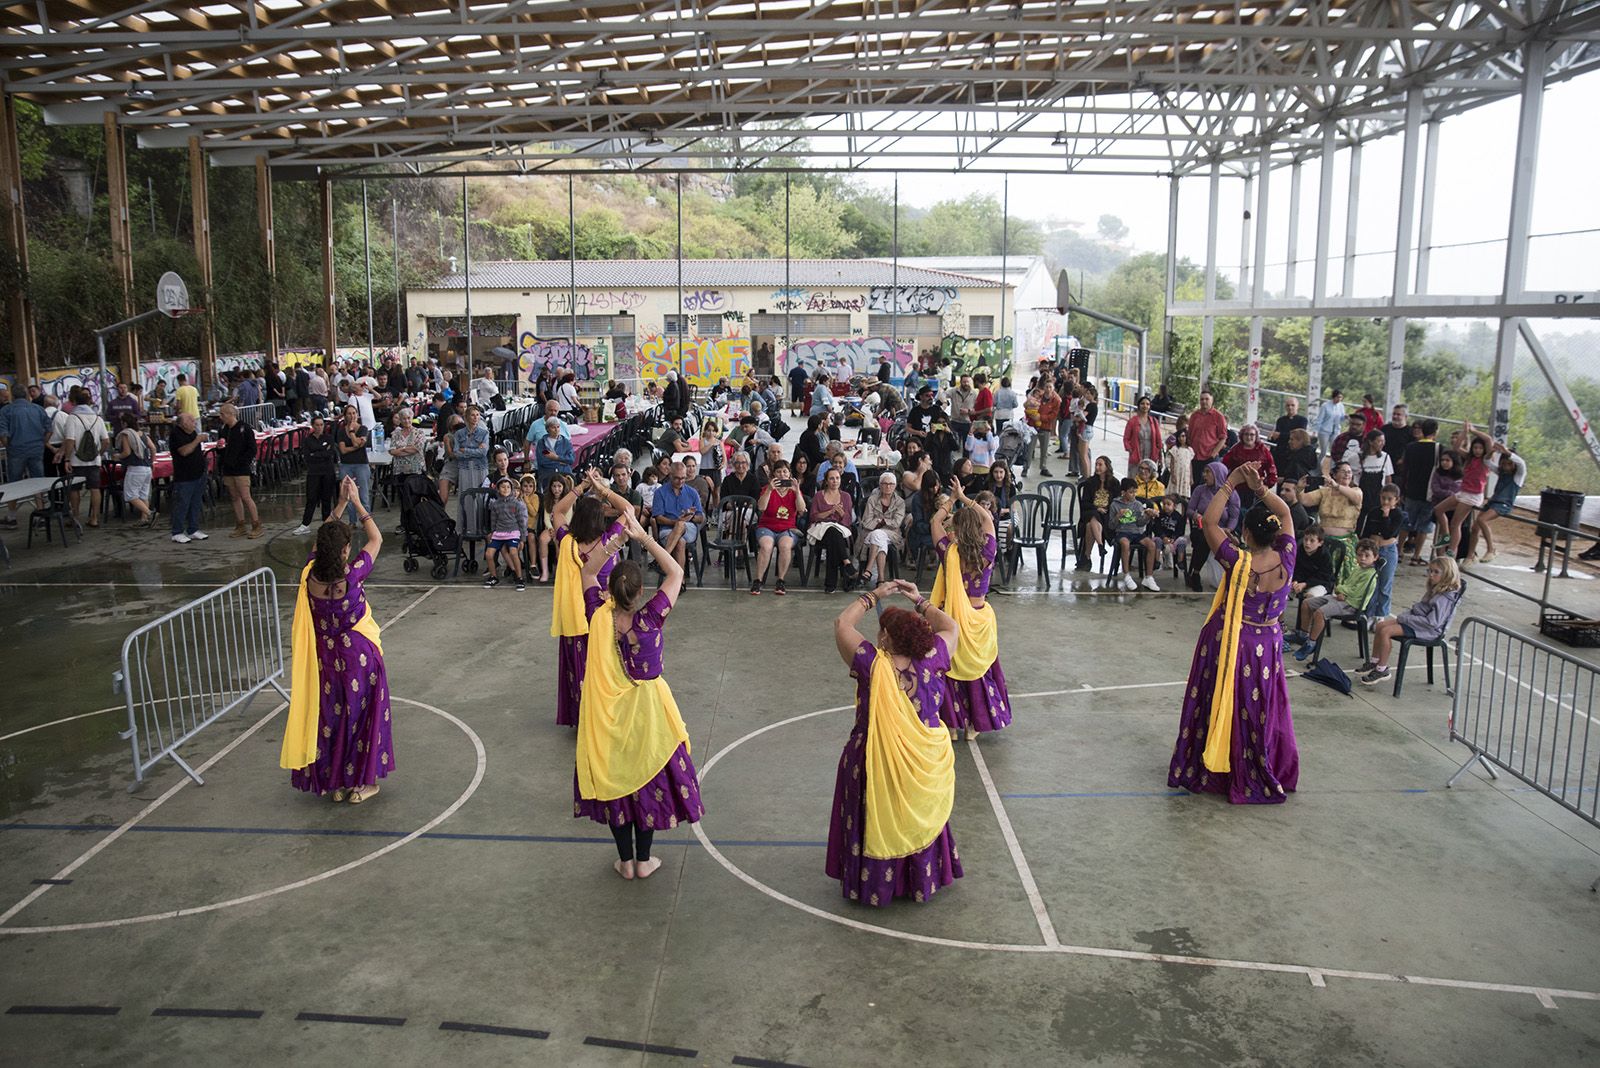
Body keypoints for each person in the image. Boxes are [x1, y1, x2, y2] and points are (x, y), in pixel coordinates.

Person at [573, 506, 704, 878]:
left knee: (616, 778)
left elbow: (586, 569)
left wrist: (616, 537)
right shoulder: (650, 618)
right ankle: (644, 860)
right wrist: (641, 536)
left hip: (606, 713)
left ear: (610, 590)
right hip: (647, 710)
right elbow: (675, 572)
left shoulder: (598, 613)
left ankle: (625, 861)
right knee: (645, 776)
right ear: (642, 591)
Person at [1167, 462, 1300, 804]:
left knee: (1226, 700)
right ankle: (1258, 761)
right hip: (1268, 643)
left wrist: (1231, 485)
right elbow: (1285, 512)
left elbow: (1209, 523)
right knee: (1259, 705)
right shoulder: (1287, 556)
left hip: (1234, 643)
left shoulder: (1238, 562)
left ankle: (1220, 767)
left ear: (1247, 533)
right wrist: (1259, 489)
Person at [825, 579, 963, 905]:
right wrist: (920, 600)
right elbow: (952, 626)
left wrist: (874, 595)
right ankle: (917, 880)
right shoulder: (934, 658)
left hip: (873, 757)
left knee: (876, 813)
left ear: (886, 637)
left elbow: (843, 623)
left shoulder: (871, 663)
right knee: (913, 814)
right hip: (924, 760)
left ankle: (874, 883)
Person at [280, 477, 392, 804]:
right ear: (345, 550)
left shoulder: (309, 575)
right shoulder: (353, 575)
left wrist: (340, 505)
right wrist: (356, 501)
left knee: (334, 717)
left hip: (326, 660)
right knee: (363, 718)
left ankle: (337, 783)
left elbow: (322, 540)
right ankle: (364, 783)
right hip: (360, 658)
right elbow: (376, 538)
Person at [550, 470, 638, 727]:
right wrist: (601, 489)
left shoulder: (568, 543)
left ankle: (581, 717)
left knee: (579, 668)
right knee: (606, 665)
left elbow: (556, 512)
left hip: (576, 615)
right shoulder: (609, 542)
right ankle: (606, 714)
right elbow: (629, 509)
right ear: (600, 518)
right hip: (605, 615)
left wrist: (582, 486)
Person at [929, 482, 1012, 737]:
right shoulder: (988, 550)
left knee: (951, 668)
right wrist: (965, 497)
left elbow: (935, 522)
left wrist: (950, 500)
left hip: (952, 619)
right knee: (979, 668)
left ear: (955, 528)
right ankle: (975, 725)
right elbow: (987, 517)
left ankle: (953, 725)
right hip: (978, 618)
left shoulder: (949, 553)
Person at [1359, 557, 1465, 686]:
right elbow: (1422, 608)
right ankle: (1374, 661)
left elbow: (1433, 622)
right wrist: (1409, 616)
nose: (1431, 575)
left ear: (1448, 574)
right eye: (1430, 571)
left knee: (1386, 631)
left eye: (1436, 572)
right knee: (1380, 625)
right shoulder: (1436, 588)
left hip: (1428, 630)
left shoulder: (1445, 598)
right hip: (1418, 623)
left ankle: (1382, 669)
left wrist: (1407, 618)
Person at [1284, 539, 1379, 662]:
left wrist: (1341, 590)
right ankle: (1302, 635)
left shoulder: (1370, 574)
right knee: (1307, 603)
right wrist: (1341, 591)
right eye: (1360, 555)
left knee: (1320, 613)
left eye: (1367, 556)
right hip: (1340, 598)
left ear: (1375, 557)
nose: (1363, 558)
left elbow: (1355, 592)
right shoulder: (1358, 569)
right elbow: (1347, 585)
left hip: (1350, 605)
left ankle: (1311, 644)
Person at [50, 387, 111, 528]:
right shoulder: (97, 418)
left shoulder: (72, 417)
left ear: (75, 402)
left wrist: (67, 459)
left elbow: (70, 440)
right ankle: (94, 518)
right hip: (94, 461)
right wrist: (99, 454)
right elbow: (106, 441)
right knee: (95, 488)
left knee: (74, 489)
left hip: (76, 461)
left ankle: (75, 517)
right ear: (89, 401)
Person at [1184, 460, 1240, 591]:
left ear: (1218, 474)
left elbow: (1234, 516)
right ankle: (1196, 574)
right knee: (1205, 539)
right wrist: (1196, 516)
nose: (1204, 475)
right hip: (1202, 528)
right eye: (1204, 471)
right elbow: (1190, 509)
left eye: (1208, 472)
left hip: (1223, 530)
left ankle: (1229, 577)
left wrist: (1228, 529)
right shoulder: (1200, 490)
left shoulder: (1231, 493)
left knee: (1228, 541)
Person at [752, 460, 805, 595]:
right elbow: (761, 507)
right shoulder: (767, 489)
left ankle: (780, 580)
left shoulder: (794, 492)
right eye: (779, 471)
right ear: (774, 474)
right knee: (766, 546)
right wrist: (769, 490)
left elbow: (801, 509)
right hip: (767, 526)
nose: (782, 474)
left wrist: (798, 492)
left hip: (787, 528)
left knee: (785, 546)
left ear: (789, 474)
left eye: (785, 471)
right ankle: (758, 580)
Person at [1467, 442, 1526, 564]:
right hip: (1493, 502)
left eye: (1509, 464)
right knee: (1475, 528)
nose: (1506, 467)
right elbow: (1487, 461)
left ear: (1513, 464)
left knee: (1482, 520)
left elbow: (1521, 463)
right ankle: (1470, 555)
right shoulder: (1501, 472)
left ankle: (1491, 549)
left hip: (1503, 504)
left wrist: (1506, 452)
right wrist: (1492, 451)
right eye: (1503, 464)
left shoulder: (1518, 476)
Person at [1441, 425, 1493, 561]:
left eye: (1480, 448)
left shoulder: (1486, 461)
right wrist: (1464, 432)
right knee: (1438, 509)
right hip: (1463, 492)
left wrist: (1474, 431)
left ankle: (1451, 552)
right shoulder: (1470, 458)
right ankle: (1445, 536)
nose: (1477, 451)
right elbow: (1456, 447)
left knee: (1455, 524)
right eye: (1475, 448)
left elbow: (1488, 440)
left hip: (1473, 495)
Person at [217, 403, 263, 539]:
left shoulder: (244, 428)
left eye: (222, 414)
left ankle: (256, 524)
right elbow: (221, 447)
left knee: (245, 496)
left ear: (231, 414)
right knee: (234, 497)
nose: (221, 417)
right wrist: (220, 449)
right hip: (228, 468)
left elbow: (252, 449)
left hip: (241, 468)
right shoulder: (223, 429)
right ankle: (240, 524)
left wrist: (244, 461)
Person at [808, 466, 857, 593]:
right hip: (821, 529)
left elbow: (848, 520)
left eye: (837, 478)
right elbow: (814, 517)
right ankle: (846, 564)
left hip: (839, 529)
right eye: (831, 478)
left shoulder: (846, 496)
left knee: (834, 536)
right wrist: (830, 512)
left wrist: (841, 514)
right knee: (832, 532)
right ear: (826, 481)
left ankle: (831, 583)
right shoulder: (819, 495)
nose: (835, 481)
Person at [650, 460, 704, 571]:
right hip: (667, 530)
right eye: (677, 478)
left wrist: (690, 517)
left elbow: (701, 518)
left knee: (681, 524)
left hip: (689, 528)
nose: (681, 481)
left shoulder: (692, 492)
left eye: (683, 478)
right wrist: (677, 522)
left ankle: (662, 558)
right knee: (680, 542)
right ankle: (680, 581)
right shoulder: (660, 492)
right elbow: (658, 519)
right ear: (670, 475)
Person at [1359, 485, 1405, 618]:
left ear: (1396, 500)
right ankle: (1369, 613)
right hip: (1373, 550)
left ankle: (1381, 615)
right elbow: (1367, 532)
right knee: (1371, 583)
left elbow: (1388, 534)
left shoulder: (1398, 515)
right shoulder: (1373, 512)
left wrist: (1386, 516)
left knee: (1385, 584)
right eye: (1383, 498)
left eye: (1389, 499)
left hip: (1387, 549)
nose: (1385, 502)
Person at [1109, 478, 1161, 592]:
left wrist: (1148, 516)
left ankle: (1149, 577)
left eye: (1135, 492)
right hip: (1122, 532)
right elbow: (1111, 526)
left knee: (1151, 545)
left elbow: (1139, 523)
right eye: (1131, 492)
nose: (1133, 495)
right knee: (1125, 544)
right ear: (1123, 492)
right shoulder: (1115, 504)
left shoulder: (1137, 504)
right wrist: (1118, 516)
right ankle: (1126, 575)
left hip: (1136, 532)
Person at [855, 472, 906, 587]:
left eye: (891, 484)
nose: (888, 486)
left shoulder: (900, 502)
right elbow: (866, 522)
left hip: (893, 535)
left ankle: (868, 569)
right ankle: (881, 579)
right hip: (871, 533)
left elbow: (896, 523)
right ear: (880, 485)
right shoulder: (872, 500)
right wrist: (885, 522)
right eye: (885, 483)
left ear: (895, 486)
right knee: (879, 537)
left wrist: (880, 521)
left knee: (877, 534)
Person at [166, 411, 209, 544]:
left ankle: (193, 528)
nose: (194, 422)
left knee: (195, 503)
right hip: (184, 476)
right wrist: (197, 440)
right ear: (183, 423)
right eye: (191, 420)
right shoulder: (176, 434)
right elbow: (184, 451)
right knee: (182, 504)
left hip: (198, 473)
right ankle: (177, 531)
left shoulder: (192, 433)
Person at [294, 415, 338, 535]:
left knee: (326, 499)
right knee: (311, 499)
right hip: (313, 473)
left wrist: (316, 453)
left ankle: (326, 524)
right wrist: (321, 452)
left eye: (321, 425)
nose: (319, 427)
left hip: (328, 472)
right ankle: (305, 524)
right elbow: (308, 457)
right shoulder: (308, 440)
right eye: (317, 425)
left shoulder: (329, 438)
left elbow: (329, 453)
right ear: (313, 426)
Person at [1075, 456, 1120, 573]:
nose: (1097, 467)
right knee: (1094, 515)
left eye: (1100, 465)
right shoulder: (1090, 482)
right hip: (1090, 511)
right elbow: (1085, 503)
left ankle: (1087, 556)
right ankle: (1100, 545)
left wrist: (1105, 509)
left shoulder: (1114, 483)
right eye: (1096, 465)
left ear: (1107, 467)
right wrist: (1097, 508)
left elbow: (1116, 502)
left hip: (1107, 515)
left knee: (1090, 525)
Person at [484, 476, 530, 590]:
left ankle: (519, 578)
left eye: (508, 487)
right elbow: (493, 520)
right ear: (498, 489)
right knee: (489, 554)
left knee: (514, 552)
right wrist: (492, 532)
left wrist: (522, 539)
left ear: (512, 489)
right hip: (499, 533)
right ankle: (493, 576)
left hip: (513, 532)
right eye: (503, 487)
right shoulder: (495, 504)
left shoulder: (517, 504)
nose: (505, 489)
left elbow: (522, 522)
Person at [112, 413, 155, 526]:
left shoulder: (127, 434)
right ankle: (144, 519)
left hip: (135, 468)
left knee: (130, 496)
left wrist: (118, 456)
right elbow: (153, 448)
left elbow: (127, 452)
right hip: (146, 468)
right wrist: (152, 462)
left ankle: (149, 513)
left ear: (125, 423)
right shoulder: (143, 434)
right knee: (143, 495)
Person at [533, 473, 574, 582]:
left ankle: (558, 570)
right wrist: (550, 528)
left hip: (563, 528)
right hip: (550, 528)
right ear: (550, 487)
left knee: (558, 542)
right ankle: (545, 571)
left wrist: (558, 530)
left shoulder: (567, 500)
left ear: (563, 487)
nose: (556, 489)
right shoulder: (548, 500)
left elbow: (568, 519)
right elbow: (546, 517)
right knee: (542, 539)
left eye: (559, 486)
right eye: (554, 486)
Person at [1424, 450, 1464, 563]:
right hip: (1440, 505)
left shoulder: (1460, 474)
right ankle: (1440, 560)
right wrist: (1450, 494)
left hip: (1456, 507)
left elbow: (1459, 491)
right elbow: (1435, 489)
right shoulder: (1438, 473)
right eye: (1442, 460)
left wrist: (1450, 494)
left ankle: (1451, 559)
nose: (1444, 463)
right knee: (1441, 533)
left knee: (1456, 529)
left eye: (1447, 460)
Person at [335, 404, 372, 523]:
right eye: (349, 413)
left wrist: (351, 431)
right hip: (346, 465)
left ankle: (367, 522)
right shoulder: (340, 431)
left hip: (361, 464)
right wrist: (356, 444)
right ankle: (352, 522)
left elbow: (356, 444)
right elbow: (343, 450)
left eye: (354, 413)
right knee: (348, 496)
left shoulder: (363, 429)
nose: (352, 416)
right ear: (345, 416)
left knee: (363, 496)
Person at [452, 406, 490, 516]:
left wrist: (466, 450)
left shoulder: (484, 433)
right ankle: (467, 527)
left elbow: (483, 453)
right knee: (466, 496)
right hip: (465, 468)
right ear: (467, 417)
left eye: (477, 415)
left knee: (481, 497)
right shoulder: (459, 434)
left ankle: (481, 525)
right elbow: (457, 453)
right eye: (472, 415)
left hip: (480, 468)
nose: (475, 417)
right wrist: (476, 449)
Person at [1186, 390, 1229, 487]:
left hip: (1210, 458)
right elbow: (1189, 435)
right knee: (1194, 485)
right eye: (1202, 399)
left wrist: (1214, 453)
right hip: (1194, 457)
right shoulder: (1194, 416)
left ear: (1212, 400)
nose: (1204, 401)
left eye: (1207, 399)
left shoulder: (1218, 416)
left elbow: (1223, 438)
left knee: (1210, 485)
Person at [1290, 525, 1335, 600]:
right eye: (1305, 539)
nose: (1307, 543)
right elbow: (1297, 568)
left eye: (1312, 541)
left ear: (1320, 543)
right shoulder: (1299, 550)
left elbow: (1324, 576)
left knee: (1311, 597)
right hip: (1301, 582)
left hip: (1320, 583)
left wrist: (1306, 584)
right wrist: (1295, 581)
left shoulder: (1324, 555)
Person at [533, 416, 576, 488]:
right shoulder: (543, 443)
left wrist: (556, 457)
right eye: (553, 427)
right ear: (547, 429)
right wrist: (561, 462)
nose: (556, 430)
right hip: (547, 475)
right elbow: (543, 461)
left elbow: (571, 459)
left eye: (558, 427)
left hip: (564, 474)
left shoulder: (565, 442)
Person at [1123, 394, 1164, 470]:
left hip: (1151, 456)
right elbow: (1126, 438)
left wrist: (1160, 456)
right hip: (1136, 456)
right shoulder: (1132, 421)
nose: (1145, 406)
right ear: (1138, 406)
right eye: (1142, 403)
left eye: (1147, 404)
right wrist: (1130, 450)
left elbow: (1159, 440)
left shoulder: (1154, 421)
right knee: (1135, 478)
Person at [387, 407, 428, 480]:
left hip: (416, 469)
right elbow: (392, 451)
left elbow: (416, 449)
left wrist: (400, 449)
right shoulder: (396, 433)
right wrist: (408, 448)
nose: (407, 421)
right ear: (400, 420)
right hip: (399, 470)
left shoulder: (419, 433)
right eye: (404, 419)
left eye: (409, 418)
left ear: (412, 418)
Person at [1311, 389, 1345, 461]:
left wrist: (1345, 417)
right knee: (1323, 451)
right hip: (1324, 431)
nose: (1339, 399)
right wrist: (1315, 431)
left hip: (1335, 431)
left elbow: (1341, 418)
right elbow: (1320, 419)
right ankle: (1318, 466)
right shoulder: (1325, 406)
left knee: (1334, 451)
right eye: (1338, 397)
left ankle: (1332, 470)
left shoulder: (1341, 406)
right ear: (1334, 397)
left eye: (1340, 397)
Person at [1164, 427, 1195, 499]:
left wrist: (1191, 477)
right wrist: (1173, 475)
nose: (1181, 438)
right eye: (1179, 436)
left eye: (1183, 436)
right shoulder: (1175, 449)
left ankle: (1183, 508)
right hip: (1177, 473)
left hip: (1185, 475)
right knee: (1174, 493)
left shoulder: (1189, 450)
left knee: (1184, 495)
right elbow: (1172, 463)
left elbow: (1190, 464)